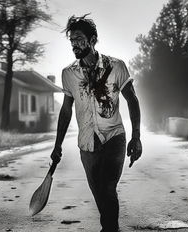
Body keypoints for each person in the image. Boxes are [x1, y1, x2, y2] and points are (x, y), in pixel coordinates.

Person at [51, 14, 142, 232]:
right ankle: (110, 228)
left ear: (93, 40)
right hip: (87, 144)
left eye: (79, 39)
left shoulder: (116, 67)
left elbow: (133, 100)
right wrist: (57, 145)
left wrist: (136, 136)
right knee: (100, 194)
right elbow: (66, 110)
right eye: (72, 40)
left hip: (114, 138)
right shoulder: (68, 74)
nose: (75, 44)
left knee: (108, 188)